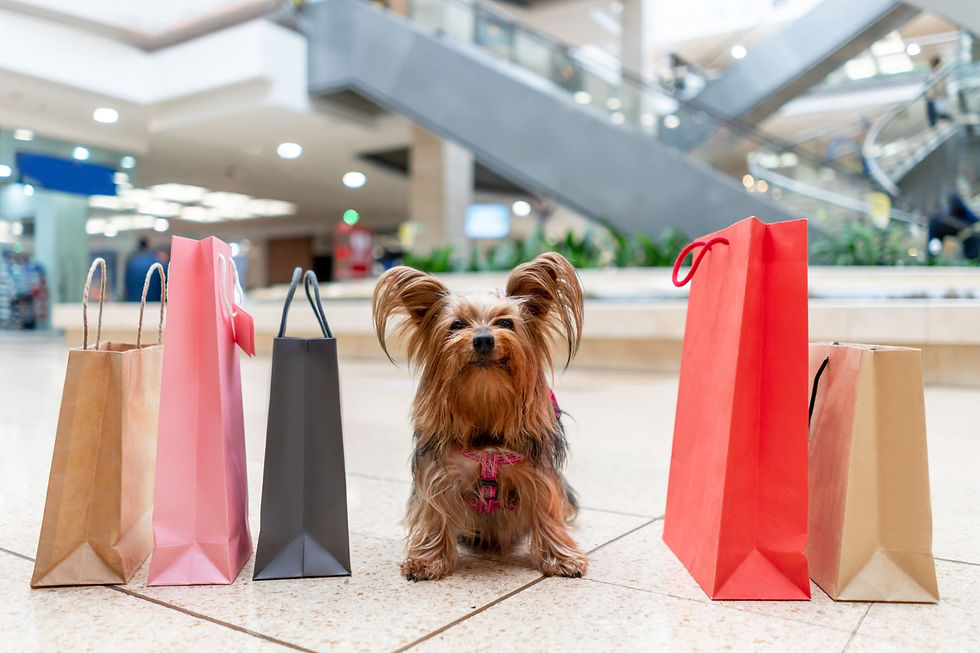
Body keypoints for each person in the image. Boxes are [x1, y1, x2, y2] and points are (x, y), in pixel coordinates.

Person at [925, 56, 952, 128]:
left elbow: (940, 84)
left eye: (932, 62)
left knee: (940, 111)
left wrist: (938, 94)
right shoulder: (933, 71)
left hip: (937, 95)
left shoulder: (939, 71)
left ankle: (938, 123)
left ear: (935, 62)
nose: (930, 64)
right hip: (932, 95)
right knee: (933, 111)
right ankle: (934, 123)